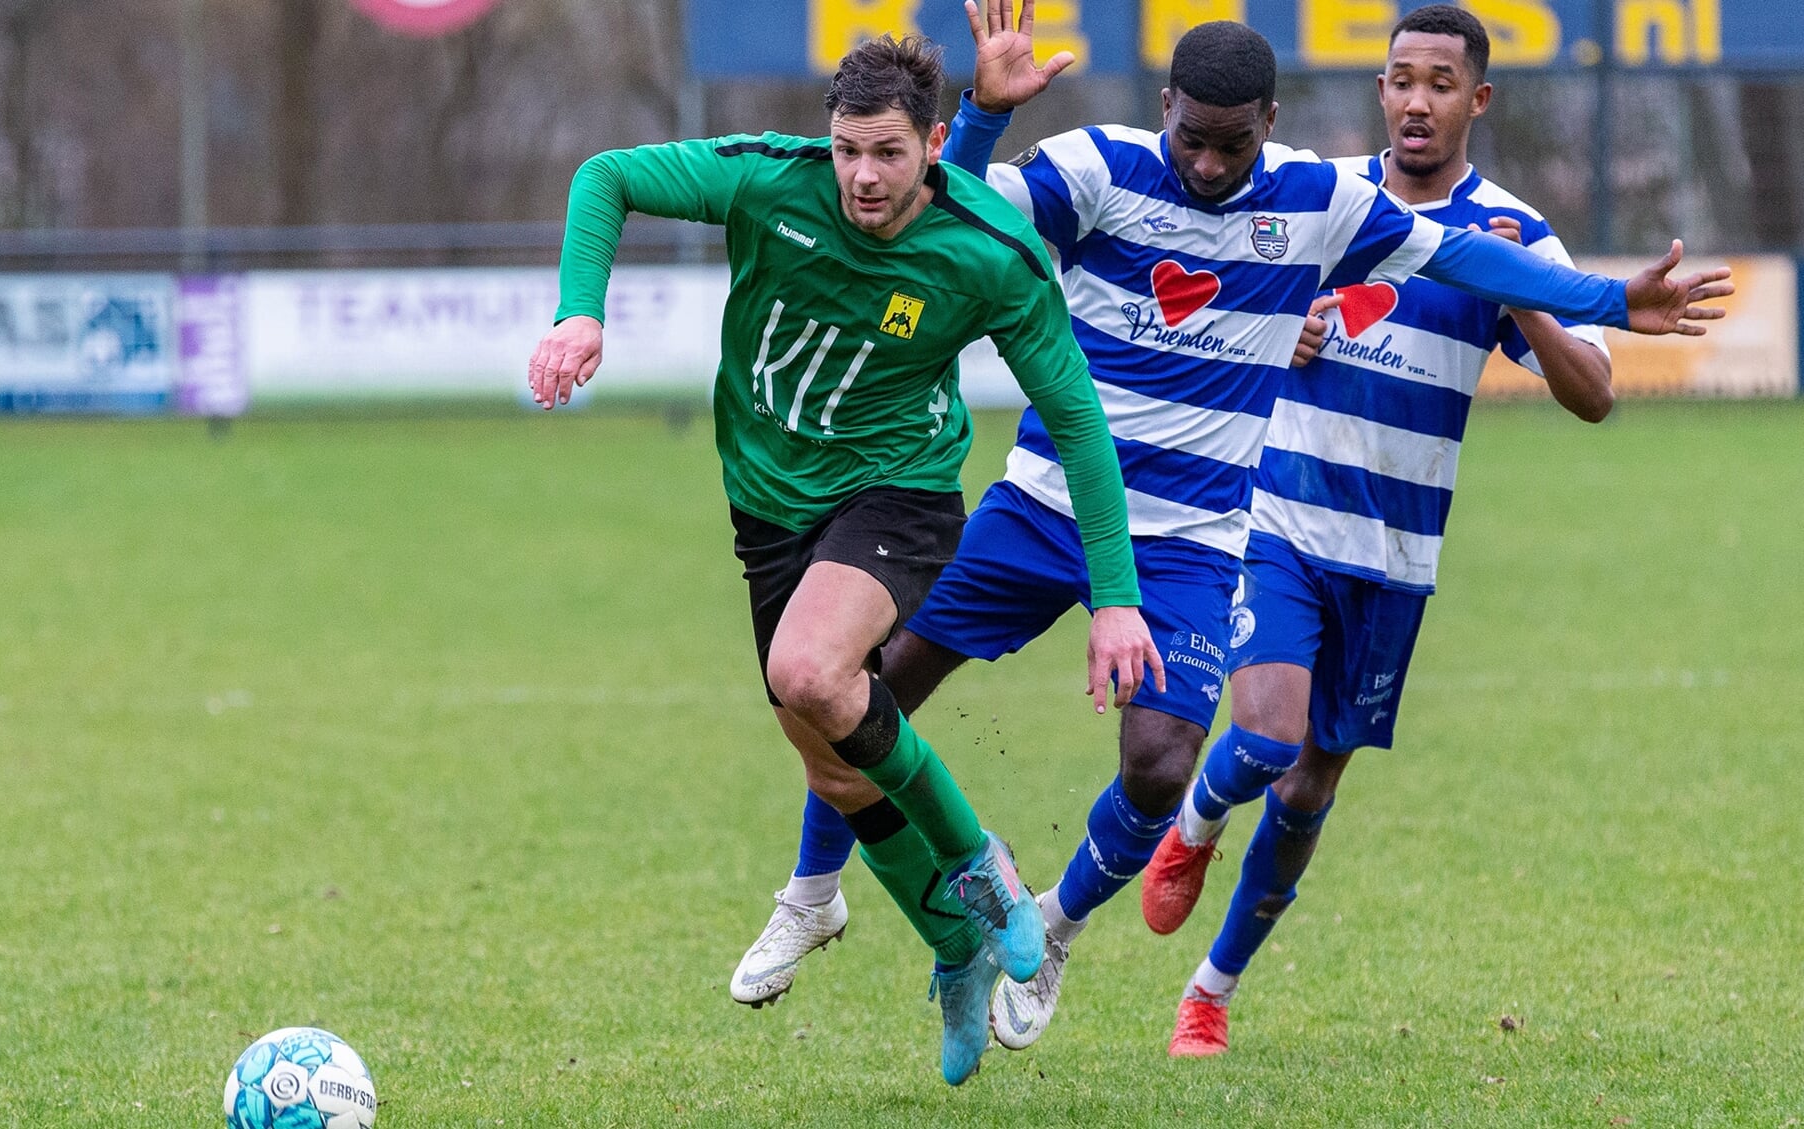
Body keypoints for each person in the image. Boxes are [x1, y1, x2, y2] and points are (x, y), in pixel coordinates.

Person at [737, 2, 1731, 1056]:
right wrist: (980, 112)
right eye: (1190, 137)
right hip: (1042, 501)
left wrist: (1610, 302)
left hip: (1192, 538)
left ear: (1270, 119)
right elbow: (957, 208)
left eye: (1231, 142)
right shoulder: (1097, 166)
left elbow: (1465, 261)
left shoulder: (1318, 201)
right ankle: (812, 890)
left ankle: (1055, 933)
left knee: (1163, 763)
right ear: (1162, 106)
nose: (1207, 163)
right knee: (865, 682)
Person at [527, 33, 1165, 1087]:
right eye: (845, 150)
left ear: (933, 147)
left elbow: (1077, 420)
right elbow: (607, 177)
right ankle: (954, 947)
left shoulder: (988, 252)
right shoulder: (770, 182)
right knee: (828, 749)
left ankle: (982, 870)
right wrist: (579, 311)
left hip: (899, 495)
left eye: (885, 153)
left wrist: (1114, 597)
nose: (862, 176)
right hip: (768, 509)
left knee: (807, 674)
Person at [1138, 4, 1719, 1058]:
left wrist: (1518, 292)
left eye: (1439, 84)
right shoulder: (1320, 198)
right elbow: (1210, 307)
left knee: (1310, 785)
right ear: (1379, 90)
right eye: (1400, 78)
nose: (1415, 99)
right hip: (1278, 520)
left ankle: (1210, 990)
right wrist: (1286, 328)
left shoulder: (1512, 229)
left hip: (1393, 555)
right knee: (1265, 738)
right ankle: (1192, 825)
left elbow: (1591, 393)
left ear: (1476, 100)